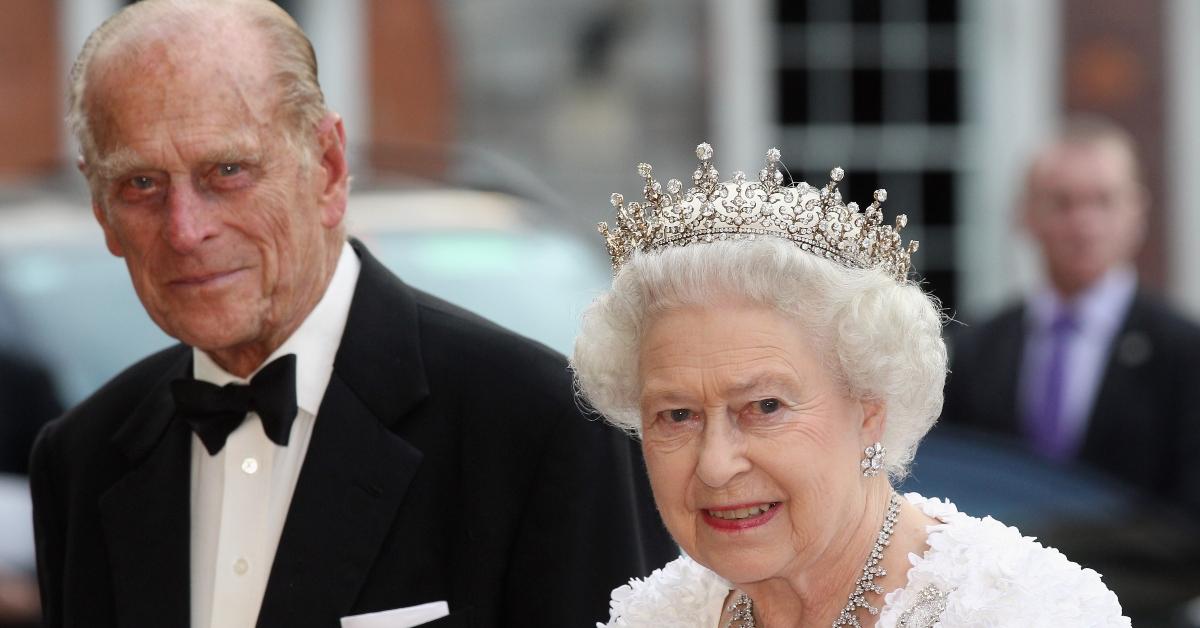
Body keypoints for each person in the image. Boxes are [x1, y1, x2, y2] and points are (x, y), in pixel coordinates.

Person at [30, 2, 674, 627]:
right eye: (140, 184)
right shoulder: (82, 458)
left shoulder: (541, 425)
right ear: (101, 211)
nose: (185, 229)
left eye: (227, 170)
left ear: (329, 170)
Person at [571, 144, 1130, 626]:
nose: (715, 465)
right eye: (676, 415)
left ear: (870, 409)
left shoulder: (1022, 612)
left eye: (764, 406)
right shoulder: (659, 616)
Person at [940, 116, 1200, 499]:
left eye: (1103, 201)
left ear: (1137, 212)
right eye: (1062, 203)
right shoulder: (975, 348)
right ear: (1026, 214)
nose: (1084, 223)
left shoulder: (1184, 352)